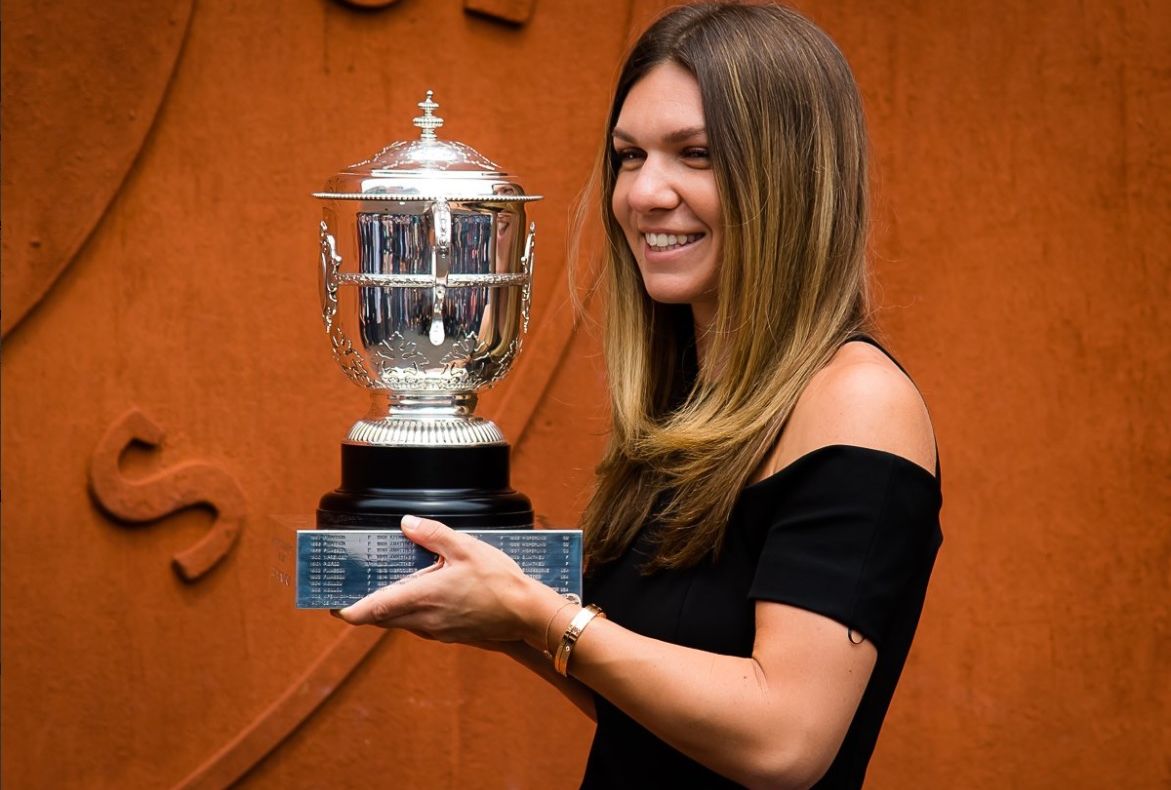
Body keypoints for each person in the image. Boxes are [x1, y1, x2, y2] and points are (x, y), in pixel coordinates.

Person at [336, 3, 942, 787]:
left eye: (696, 154)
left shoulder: (856, 401)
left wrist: (538, 614)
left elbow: (782, 741)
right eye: (628, 156)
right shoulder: (694, 407)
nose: (645, 194)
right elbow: (656, 705)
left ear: (790, 176)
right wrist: (496, 606)